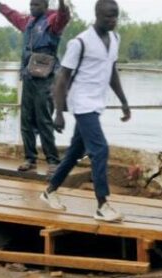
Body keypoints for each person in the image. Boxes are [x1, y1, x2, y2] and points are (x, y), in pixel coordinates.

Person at [41, 0, 130, 223]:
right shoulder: (80, 42)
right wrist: (59, 112)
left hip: (96, 103)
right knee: (99, 150)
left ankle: (49, 191)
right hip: (81, 104)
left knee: (74, 152)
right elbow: (62, 79)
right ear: (97, 15)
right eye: (108, 16)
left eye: (116, 16)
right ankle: (102, 205)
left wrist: (124, 101)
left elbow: (112, 73)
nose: (113, 20)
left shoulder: (115, 39)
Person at [0, 0, 70, 174]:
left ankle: (52, 161)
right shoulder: (28, 22)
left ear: (45, 6)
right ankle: (30, 159)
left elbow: (63, 17)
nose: (32, 8)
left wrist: (63, 3)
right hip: (29, 77)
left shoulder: (52, 22)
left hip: (46, 79)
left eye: (36, 5)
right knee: (26, 120)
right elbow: (11, 14)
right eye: (31, 5)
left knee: (44, 120)